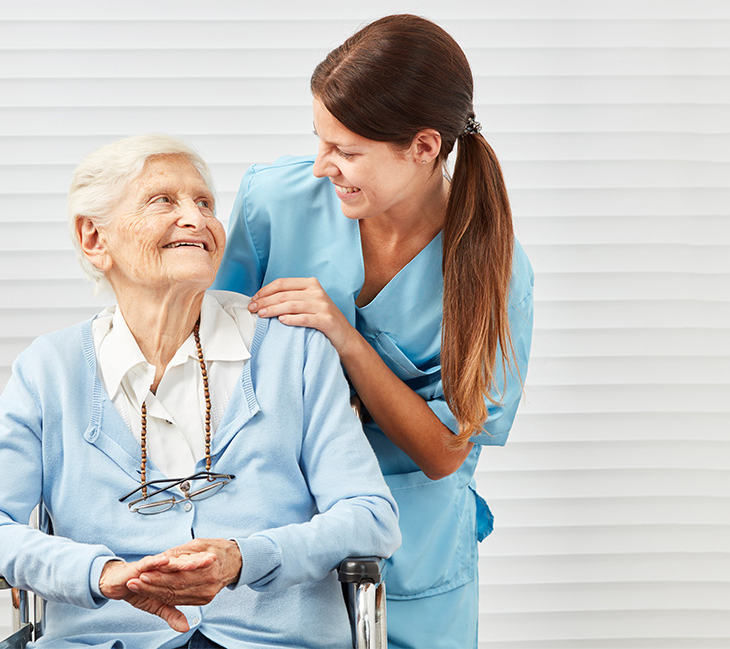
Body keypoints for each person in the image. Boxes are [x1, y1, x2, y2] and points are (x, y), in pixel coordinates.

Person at [0, 134, 401, 649]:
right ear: (94, 238)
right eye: (163, 201)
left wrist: (247, 558)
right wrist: (99, 573)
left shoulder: (294, 352)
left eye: (205, 203)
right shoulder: (50, 370)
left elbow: (370, 517)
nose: (197, 219)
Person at [212, 14, 534, 649]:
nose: (320, 167)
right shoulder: (272, 202)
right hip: (275, 531)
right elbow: (213, 363)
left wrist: (345, 339)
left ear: (424, 146)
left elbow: (444, 452)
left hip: (413, 558)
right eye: (320, 140)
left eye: (347, 151)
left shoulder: (494, 270)